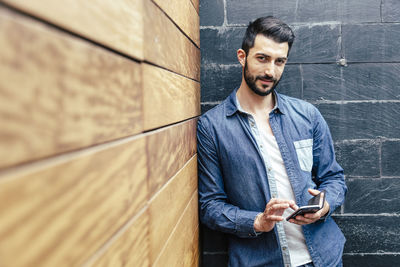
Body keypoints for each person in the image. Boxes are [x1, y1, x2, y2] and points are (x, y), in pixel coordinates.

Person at [197, 16, 347, 267]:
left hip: (323, 257)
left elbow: (334, 178)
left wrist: (323, 206)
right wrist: (257, 221)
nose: (270, 71)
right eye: (262, 58)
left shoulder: (307, 115)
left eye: (280, 61)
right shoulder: (212, 127)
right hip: (261, 261)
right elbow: (210, 206)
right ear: (242, 57)